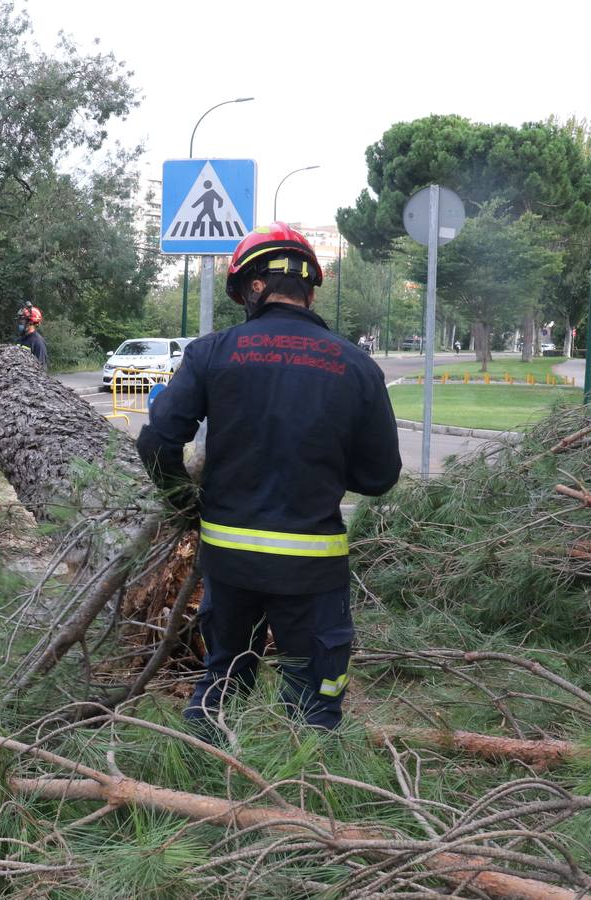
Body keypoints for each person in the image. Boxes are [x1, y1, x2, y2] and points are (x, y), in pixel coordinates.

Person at [136, 222, 401, 732]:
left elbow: (156, 442)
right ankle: (303, 796)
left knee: (223, 679)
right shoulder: (356, 365)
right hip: (311, 568)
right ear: (311, 288)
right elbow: (380, 477)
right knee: (314, 703)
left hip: (229, 561)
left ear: (252, 287)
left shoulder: (211, 352)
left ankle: (198, 781)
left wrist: (184, 505)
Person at [16, 303, 48, 370]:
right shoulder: (20, 339)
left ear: (30, 322)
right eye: (18, 320)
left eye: (21, 321)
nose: (19, 323)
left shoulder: (38, 342)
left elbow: (41, 370)